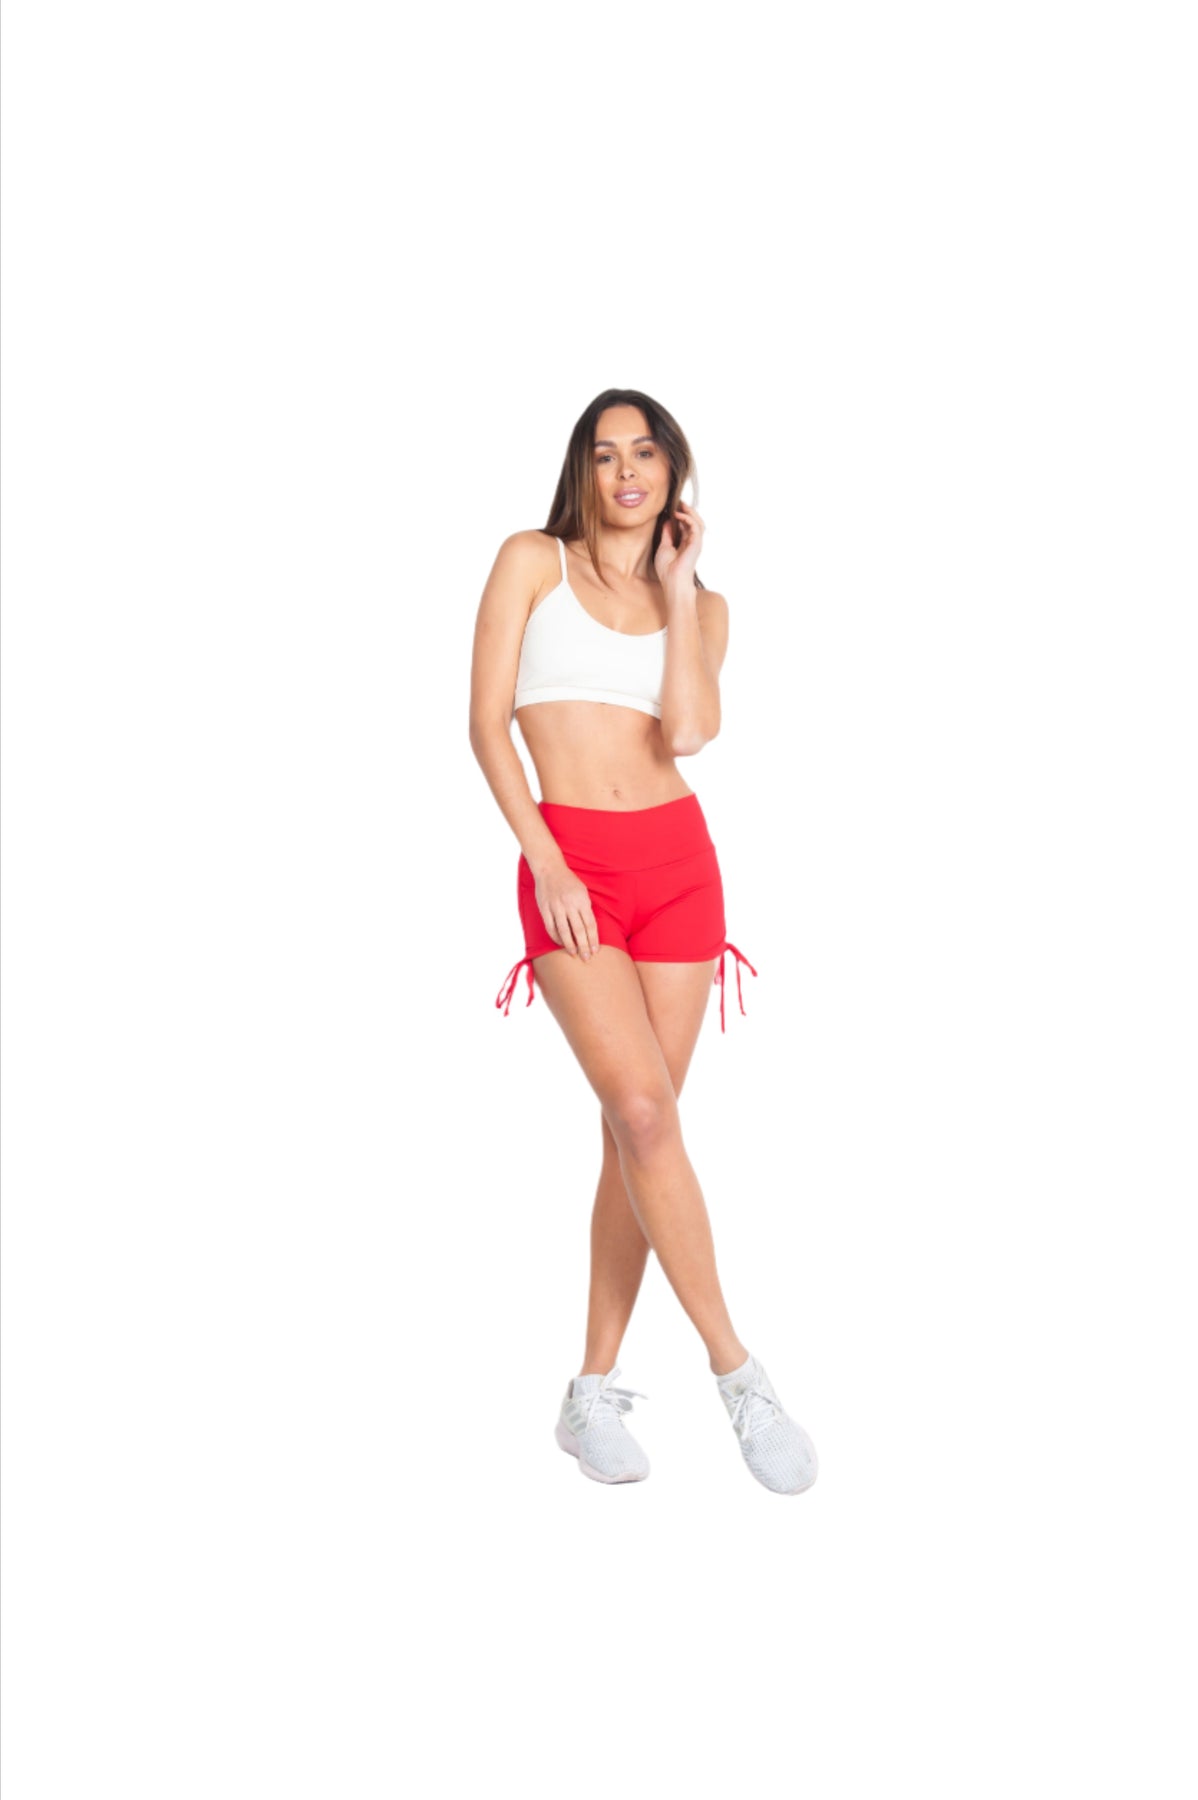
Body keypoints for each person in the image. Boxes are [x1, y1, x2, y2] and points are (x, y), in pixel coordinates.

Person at [468, 388, 817, 1497]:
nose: (626, 472)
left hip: (677, 871)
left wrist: (677, 584)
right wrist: (547, 863)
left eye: (646, 454)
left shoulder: (703, 606)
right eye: (606, 454)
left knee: (639, 1126)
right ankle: (739, 1374)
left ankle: (588, 1391)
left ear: (673, 472)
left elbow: (692, 733)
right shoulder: (532, 561)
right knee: (643, 1113)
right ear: (582, 469)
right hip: (570, 865)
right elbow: (484, 725)